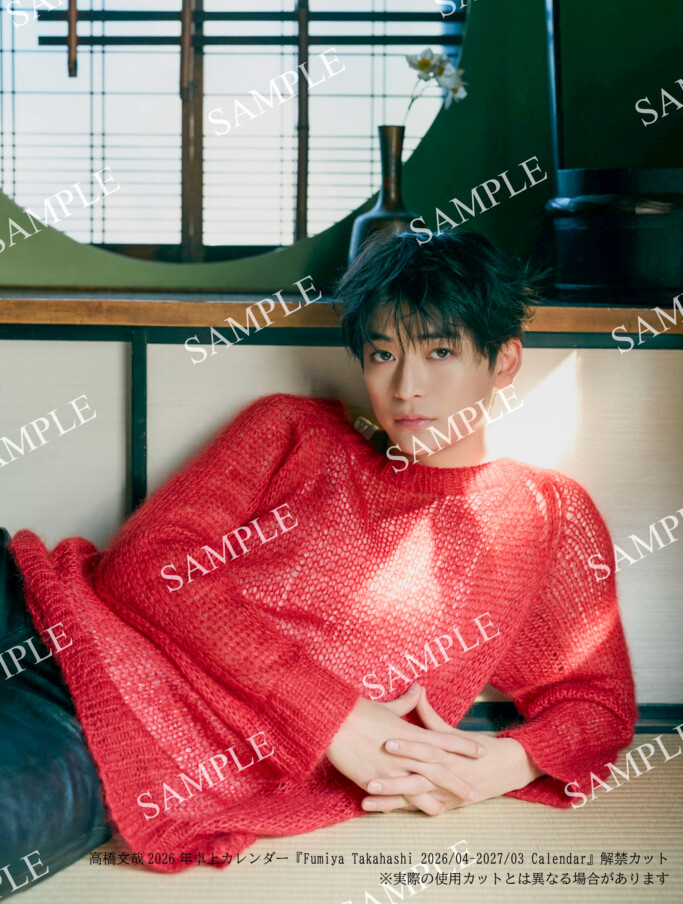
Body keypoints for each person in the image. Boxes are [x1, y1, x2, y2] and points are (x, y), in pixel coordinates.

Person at [2, 230, 637, 884]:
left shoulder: (541, 515)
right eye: (382, 353)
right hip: (32, 610)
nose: (406, 386)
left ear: (504, 360)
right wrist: (334, 715)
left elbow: (598, 705)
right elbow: (141, 566)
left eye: (440, 351)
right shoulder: (293, 430)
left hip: (125, 741)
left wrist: (497, 765)